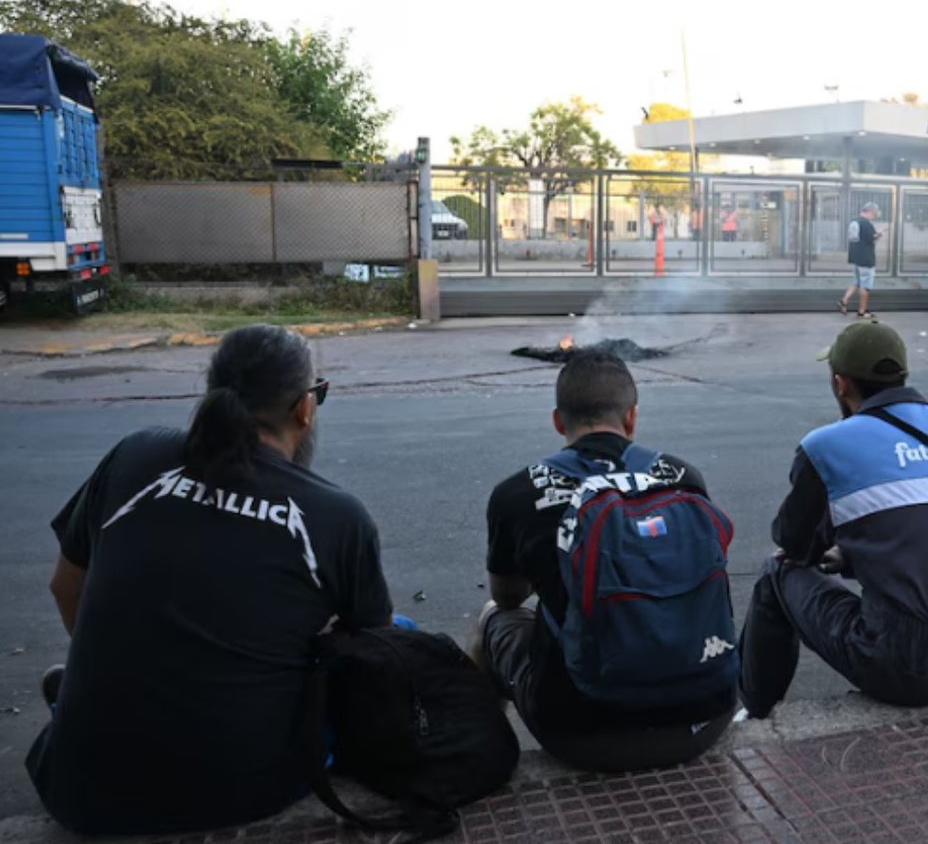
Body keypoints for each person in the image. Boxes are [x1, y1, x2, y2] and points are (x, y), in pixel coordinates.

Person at [27, 325, 394, 836]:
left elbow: (65, 587)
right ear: (304, 408)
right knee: (396, 631)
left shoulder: (133, 455)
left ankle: (87, 695)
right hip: (245, 790)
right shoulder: (338, 516)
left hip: (77, 789)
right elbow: (376, 656)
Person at [739, 321, 928, 718]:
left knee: (777, 572)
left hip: (905, 669)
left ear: (841, 384)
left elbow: (795, 544)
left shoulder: (826, 446)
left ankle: (756, 711)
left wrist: (837, 548)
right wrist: (853, 554)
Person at [473, 349, 736, 772]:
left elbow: (508, 597)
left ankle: (483, 750)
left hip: (583, 736)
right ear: (631, 417)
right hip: (705, 720)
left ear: (558, 421)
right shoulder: (684, 477)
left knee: (492, 617)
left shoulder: (516, 493)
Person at [840, 201, 883, 318]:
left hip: (856, 258)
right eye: (874, 214)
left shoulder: (854, 222)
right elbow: (871, 240)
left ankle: (844, 300)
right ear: (870, 212)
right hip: (866, 259)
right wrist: (879, 234)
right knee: (865, 286)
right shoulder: (866, 224)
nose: (874, 216)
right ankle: (862, 312)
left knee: (856, 281)